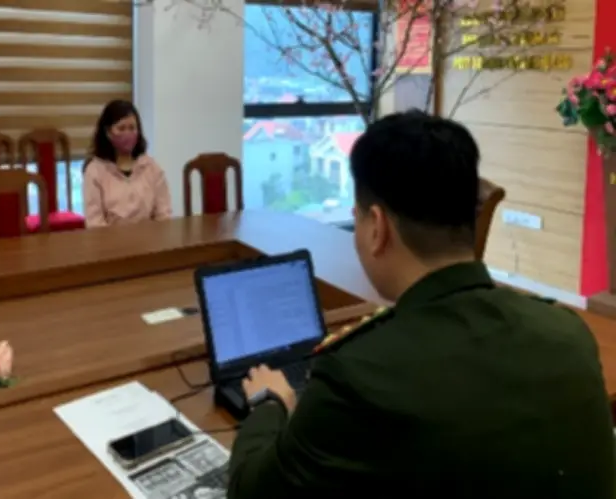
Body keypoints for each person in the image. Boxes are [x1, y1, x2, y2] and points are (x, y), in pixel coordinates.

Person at [227, 110, 615, 498]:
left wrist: (268, 402)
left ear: (377, 227)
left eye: (356, 218)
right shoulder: (569, 333)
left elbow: (251, 492)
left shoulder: (357, 377)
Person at [83, 100, 172, 228]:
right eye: (121, 128)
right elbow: (94, 223)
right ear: (108, 132)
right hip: (110, 240)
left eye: (132, 128)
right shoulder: (95, 171)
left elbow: (163, 215)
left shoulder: (151, 167)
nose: (128, 134)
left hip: (149, 238)